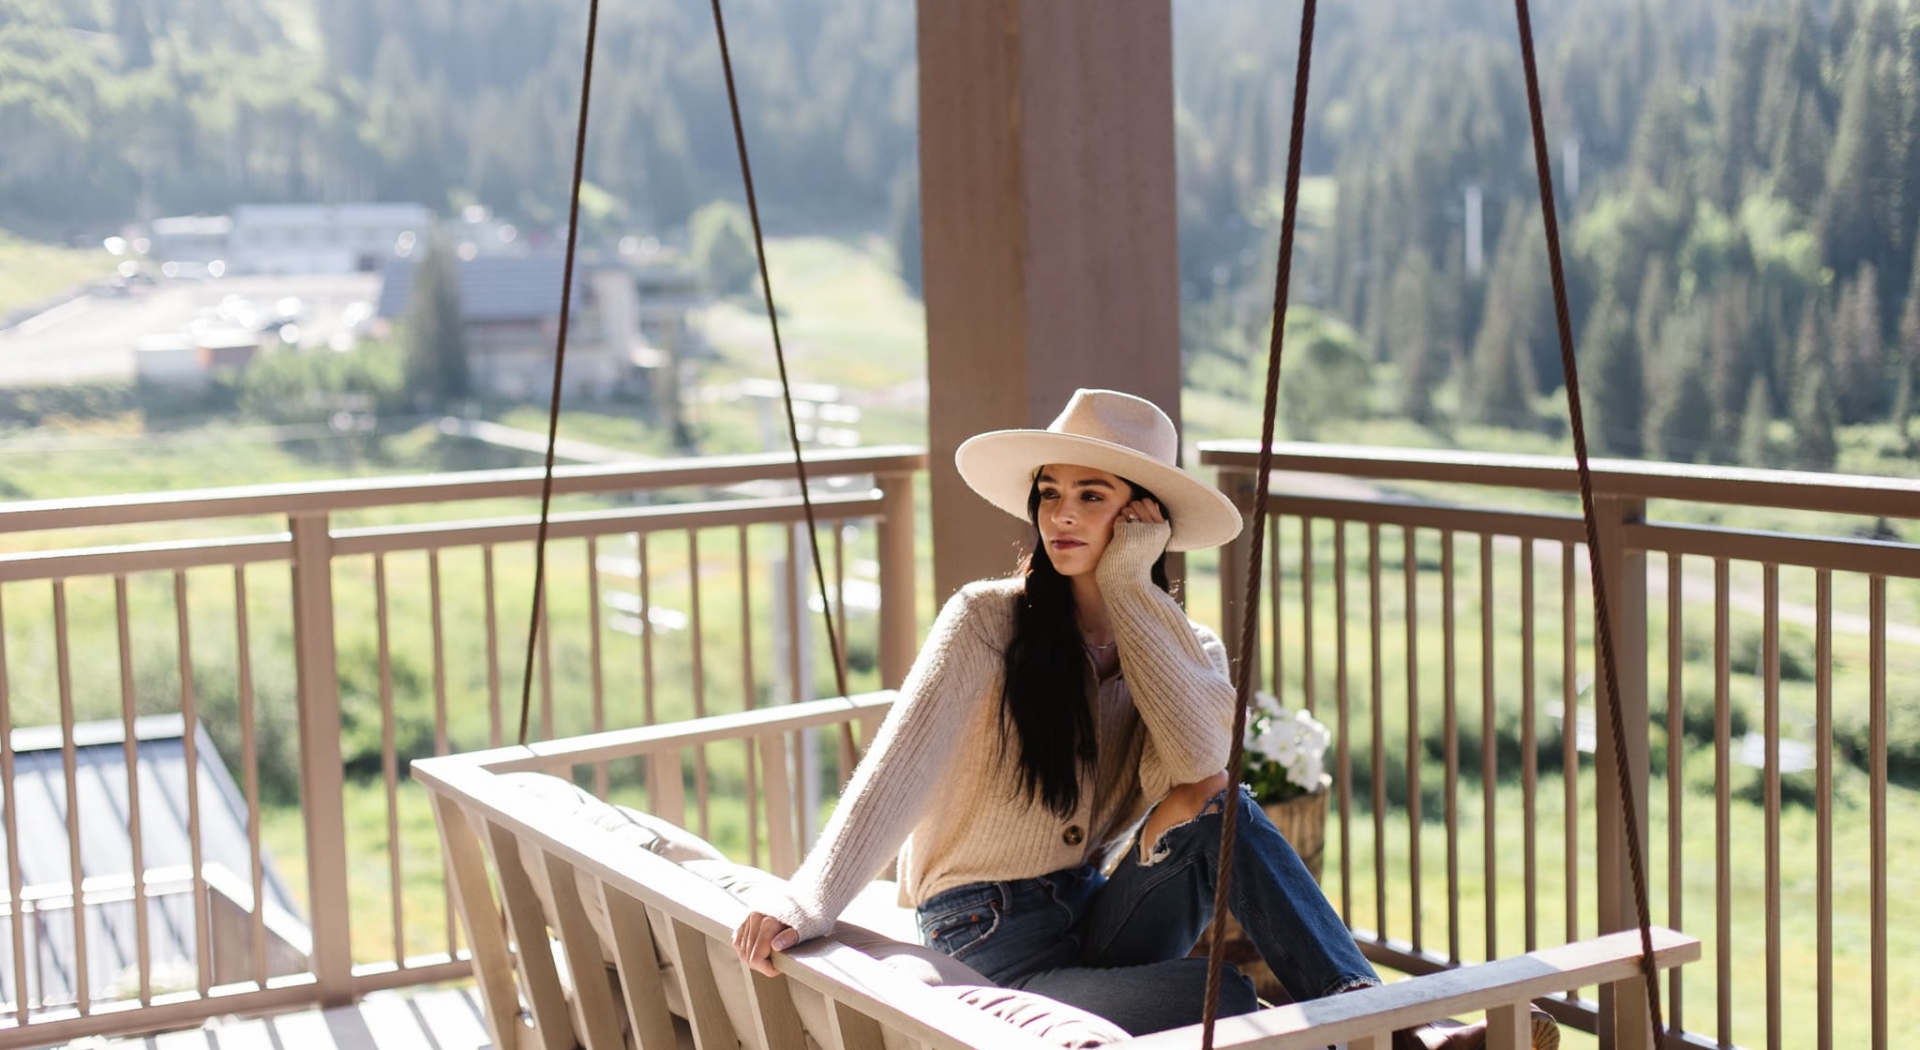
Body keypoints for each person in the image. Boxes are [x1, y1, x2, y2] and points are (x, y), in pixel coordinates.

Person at [734, 389, 1521, 1049]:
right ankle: (1396, 1037)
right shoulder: (986, 620)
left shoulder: (1185, 647)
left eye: (1092, 496)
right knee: (1223, 999)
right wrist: (807, 902)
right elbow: (894, 774)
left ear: (1146, 520)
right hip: (987, 935)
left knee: (1220, 800)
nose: (1060, 518)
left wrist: (1132, 591)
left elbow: (1196, 768)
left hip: (1091, 908)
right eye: (1050, 494)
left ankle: (1382, 1022)